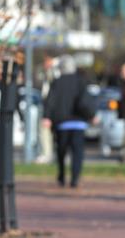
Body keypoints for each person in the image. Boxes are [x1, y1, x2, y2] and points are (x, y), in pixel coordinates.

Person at [43, 55, 97, 188]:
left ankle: (62, 175)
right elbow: (86, 101)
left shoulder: (57, 82)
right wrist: (92, 115)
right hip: (78, 122)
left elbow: (50, 100)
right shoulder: (81, 81)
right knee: (77, 153)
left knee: (61, 151)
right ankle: (75, 178)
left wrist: (47, 117)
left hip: (62, 123)